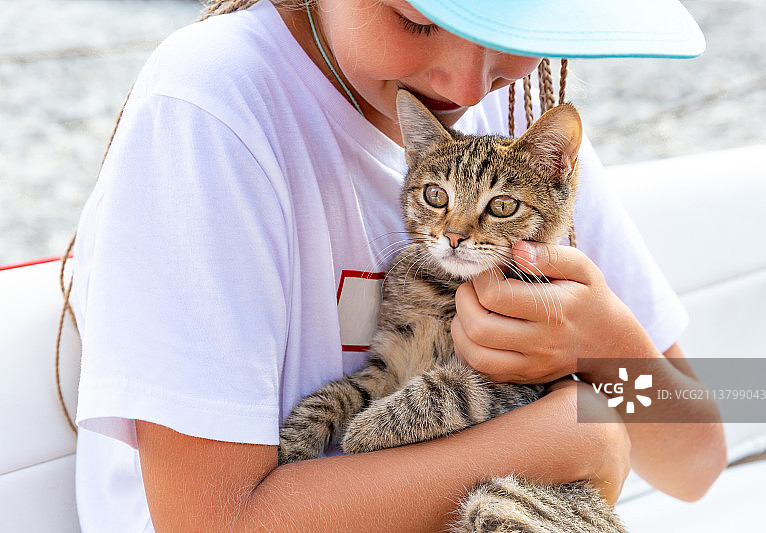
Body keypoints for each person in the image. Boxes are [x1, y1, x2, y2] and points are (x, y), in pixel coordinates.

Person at [70, 0, 726, 531]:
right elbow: (209, 522)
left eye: (511, 23)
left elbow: (698, 457)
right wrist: (582, 438)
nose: (467, 82)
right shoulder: (214, 102)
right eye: (418, 20)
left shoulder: (513, 127)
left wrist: (609, 349)